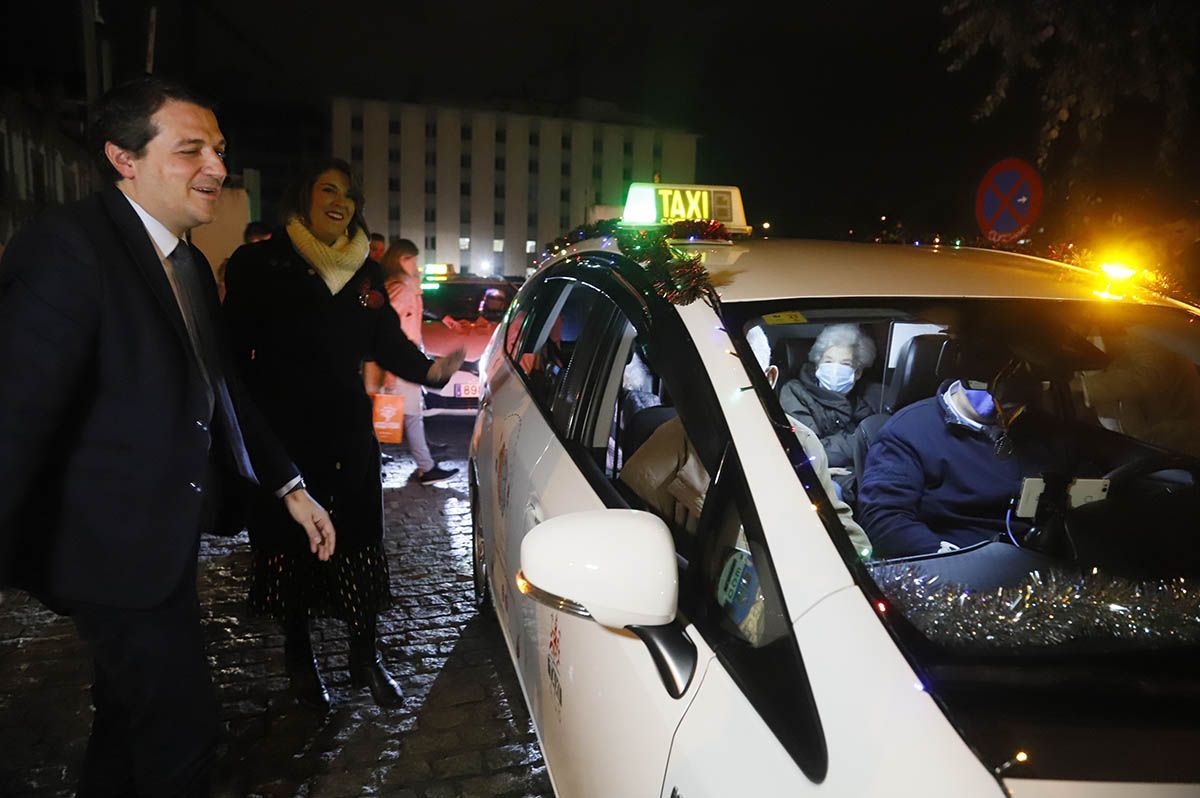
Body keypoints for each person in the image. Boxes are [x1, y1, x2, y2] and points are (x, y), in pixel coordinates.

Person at [0, 76, 335, 797]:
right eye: (191, 151)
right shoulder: (68, 247)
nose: (216, 168)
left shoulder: (183, 260)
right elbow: (15, 413)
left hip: (161, 541)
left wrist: (290, 485)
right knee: (183, 733)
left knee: (126, 721)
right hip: (106, 550)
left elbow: (222, 388)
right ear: (124, 158)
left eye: (217, 150)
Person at [223, 158, 464, 710]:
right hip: (284, 430)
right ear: (302, 196)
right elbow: (232, 351)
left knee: (358, 541)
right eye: (329, 188)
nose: (342, 201)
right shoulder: (261, 262)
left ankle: (364, 654)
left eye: (350, 194)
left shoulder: (364, 272)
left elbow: (387, 343)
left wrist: (429, 370)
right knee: (290, 548)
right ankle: (299, 659)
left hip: (347, 430)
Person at [620, 326, 872, 557]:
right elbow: (637, 554)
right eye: (713, 380)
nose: (724, 395)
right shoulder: (661, 457)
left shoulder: (802, 442)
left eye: (740, 382)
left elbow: (843, 532)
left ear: (769, 379)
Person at [363, 239, 457, 485]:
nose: (417, 265)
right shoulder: (400, 288)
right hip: (401, 361)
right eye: (413, 260)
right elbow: (387, 329)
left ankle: (422, 463)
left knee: (398, 415)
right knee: (407, 415)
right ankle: (425, 467)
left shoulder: (403, 285)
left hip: (402, 360)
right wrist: (391, 368)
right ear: (403, 260)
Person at [778, 323, 881, 483]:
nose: (835, 369)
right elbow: (811, 451)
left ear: (858, 372)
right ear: (817, 365)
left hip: (859, 475)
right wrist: (858, 441)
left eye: (845, 364)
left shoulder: (862, 400)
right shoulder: (795, 392)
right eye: (828, 361)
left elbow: (879, 441)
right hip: (818, 479)